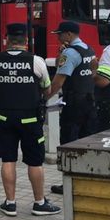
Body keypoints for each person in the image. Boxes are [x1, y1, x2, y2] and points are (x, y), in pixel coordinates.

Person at [0, 23, 61, 217]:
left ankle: (10, 204)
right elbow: (46, 88)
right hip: (30, 120)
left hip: (4, 118)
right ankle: (39, 203)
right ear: (26, 41)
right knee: (35, 162)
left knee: (8, 159)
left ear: (7, 40)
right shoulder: (36, 61)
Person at [45, 21, 96, 195]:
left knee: (69, 143)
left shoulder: (70, 53)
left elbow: (59, 81)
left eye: (60, 34)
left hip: (74, 105)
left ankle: (68, 184)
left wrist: (43, 98)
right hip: (89, 103)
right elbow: (91, 70)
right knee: (86, 142)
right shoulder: (88, 49)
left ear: (68, 34)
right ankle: (85, 181)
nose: (58, 38)